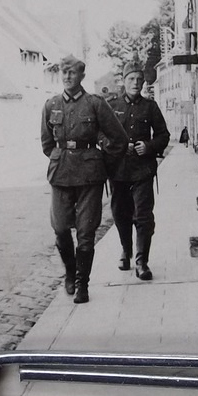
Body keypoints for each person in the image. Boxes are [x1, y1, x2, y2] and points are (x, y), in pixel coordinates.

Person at [41, 56, 128, 304]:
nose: (67, 77)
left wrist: (102, 164)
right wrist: (61, 158)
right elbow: (47, 143)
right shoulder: (51, 105)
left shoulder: (95, 104)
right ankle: (70, 272)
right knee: (59, 228)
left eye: (72, 73)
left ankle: (82, 284)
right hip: (60, 174)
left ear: (81, 76)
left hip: (90, 174)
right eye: (64, 72)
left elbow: (119, 140)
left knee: (86, 231)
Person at [107, 67, 170, 280]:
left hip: (143, 169)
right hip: (118, 170)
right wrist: (116, 146)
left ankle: (142, 261)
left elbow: (164, 135)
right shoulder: (112, 106)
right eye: (131, 79)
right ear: (123, 81)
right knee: (120, 213)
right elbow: (100, 134)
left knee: (143, 215)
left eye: (139, 80)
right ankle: (126, 250)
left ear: (144, 83)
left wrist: (149, 146)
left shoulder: (150, 107)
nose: (136, 83)